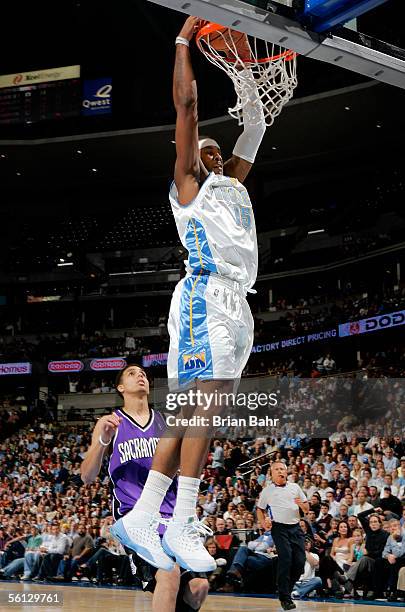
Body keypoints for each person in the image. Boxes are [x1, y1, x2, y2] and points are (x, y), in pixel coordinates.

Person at [111, 14, 266, 573]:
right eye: (202, 149)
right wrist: (182, 42)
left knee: (188, 413)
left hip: (234, 302)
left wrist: (249, 76)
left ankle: (145, 514)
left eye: (215, 149)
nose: (211, 151)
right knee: (205, 406)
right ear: (190, 163)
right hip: (205, 297)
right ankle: (181, 519)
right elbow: (187, 109)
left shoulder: (230, 185)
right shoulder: (189, 189)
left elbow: (254, 129)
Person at [81, 364, 209, 612]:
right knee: (169, 574)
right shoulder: (111, 422)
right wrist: (102, 441)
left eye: (143, 374)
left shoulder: (165, 422)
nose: (140, 375)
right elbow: (87, 476)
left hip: (171, 518)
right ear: (121, 388)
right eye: (132, 373)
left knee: (198, 587)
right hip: (137, 519)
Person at [256, 462, 309, 610]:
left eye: (282, 469)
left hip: (295, 527)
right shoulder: (267, 491)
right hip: (279, 527)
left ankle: (286, 589)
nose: (280, 472)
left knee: (299, 561)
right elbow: (260, 509)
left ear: (286, 472)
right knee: (285, 558)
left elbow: (306, 508)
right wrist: (263, 522)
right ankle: (284, 597)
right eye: (277, 469)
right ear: (272, 474)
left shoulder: (295, 487)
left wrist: (303, 506)